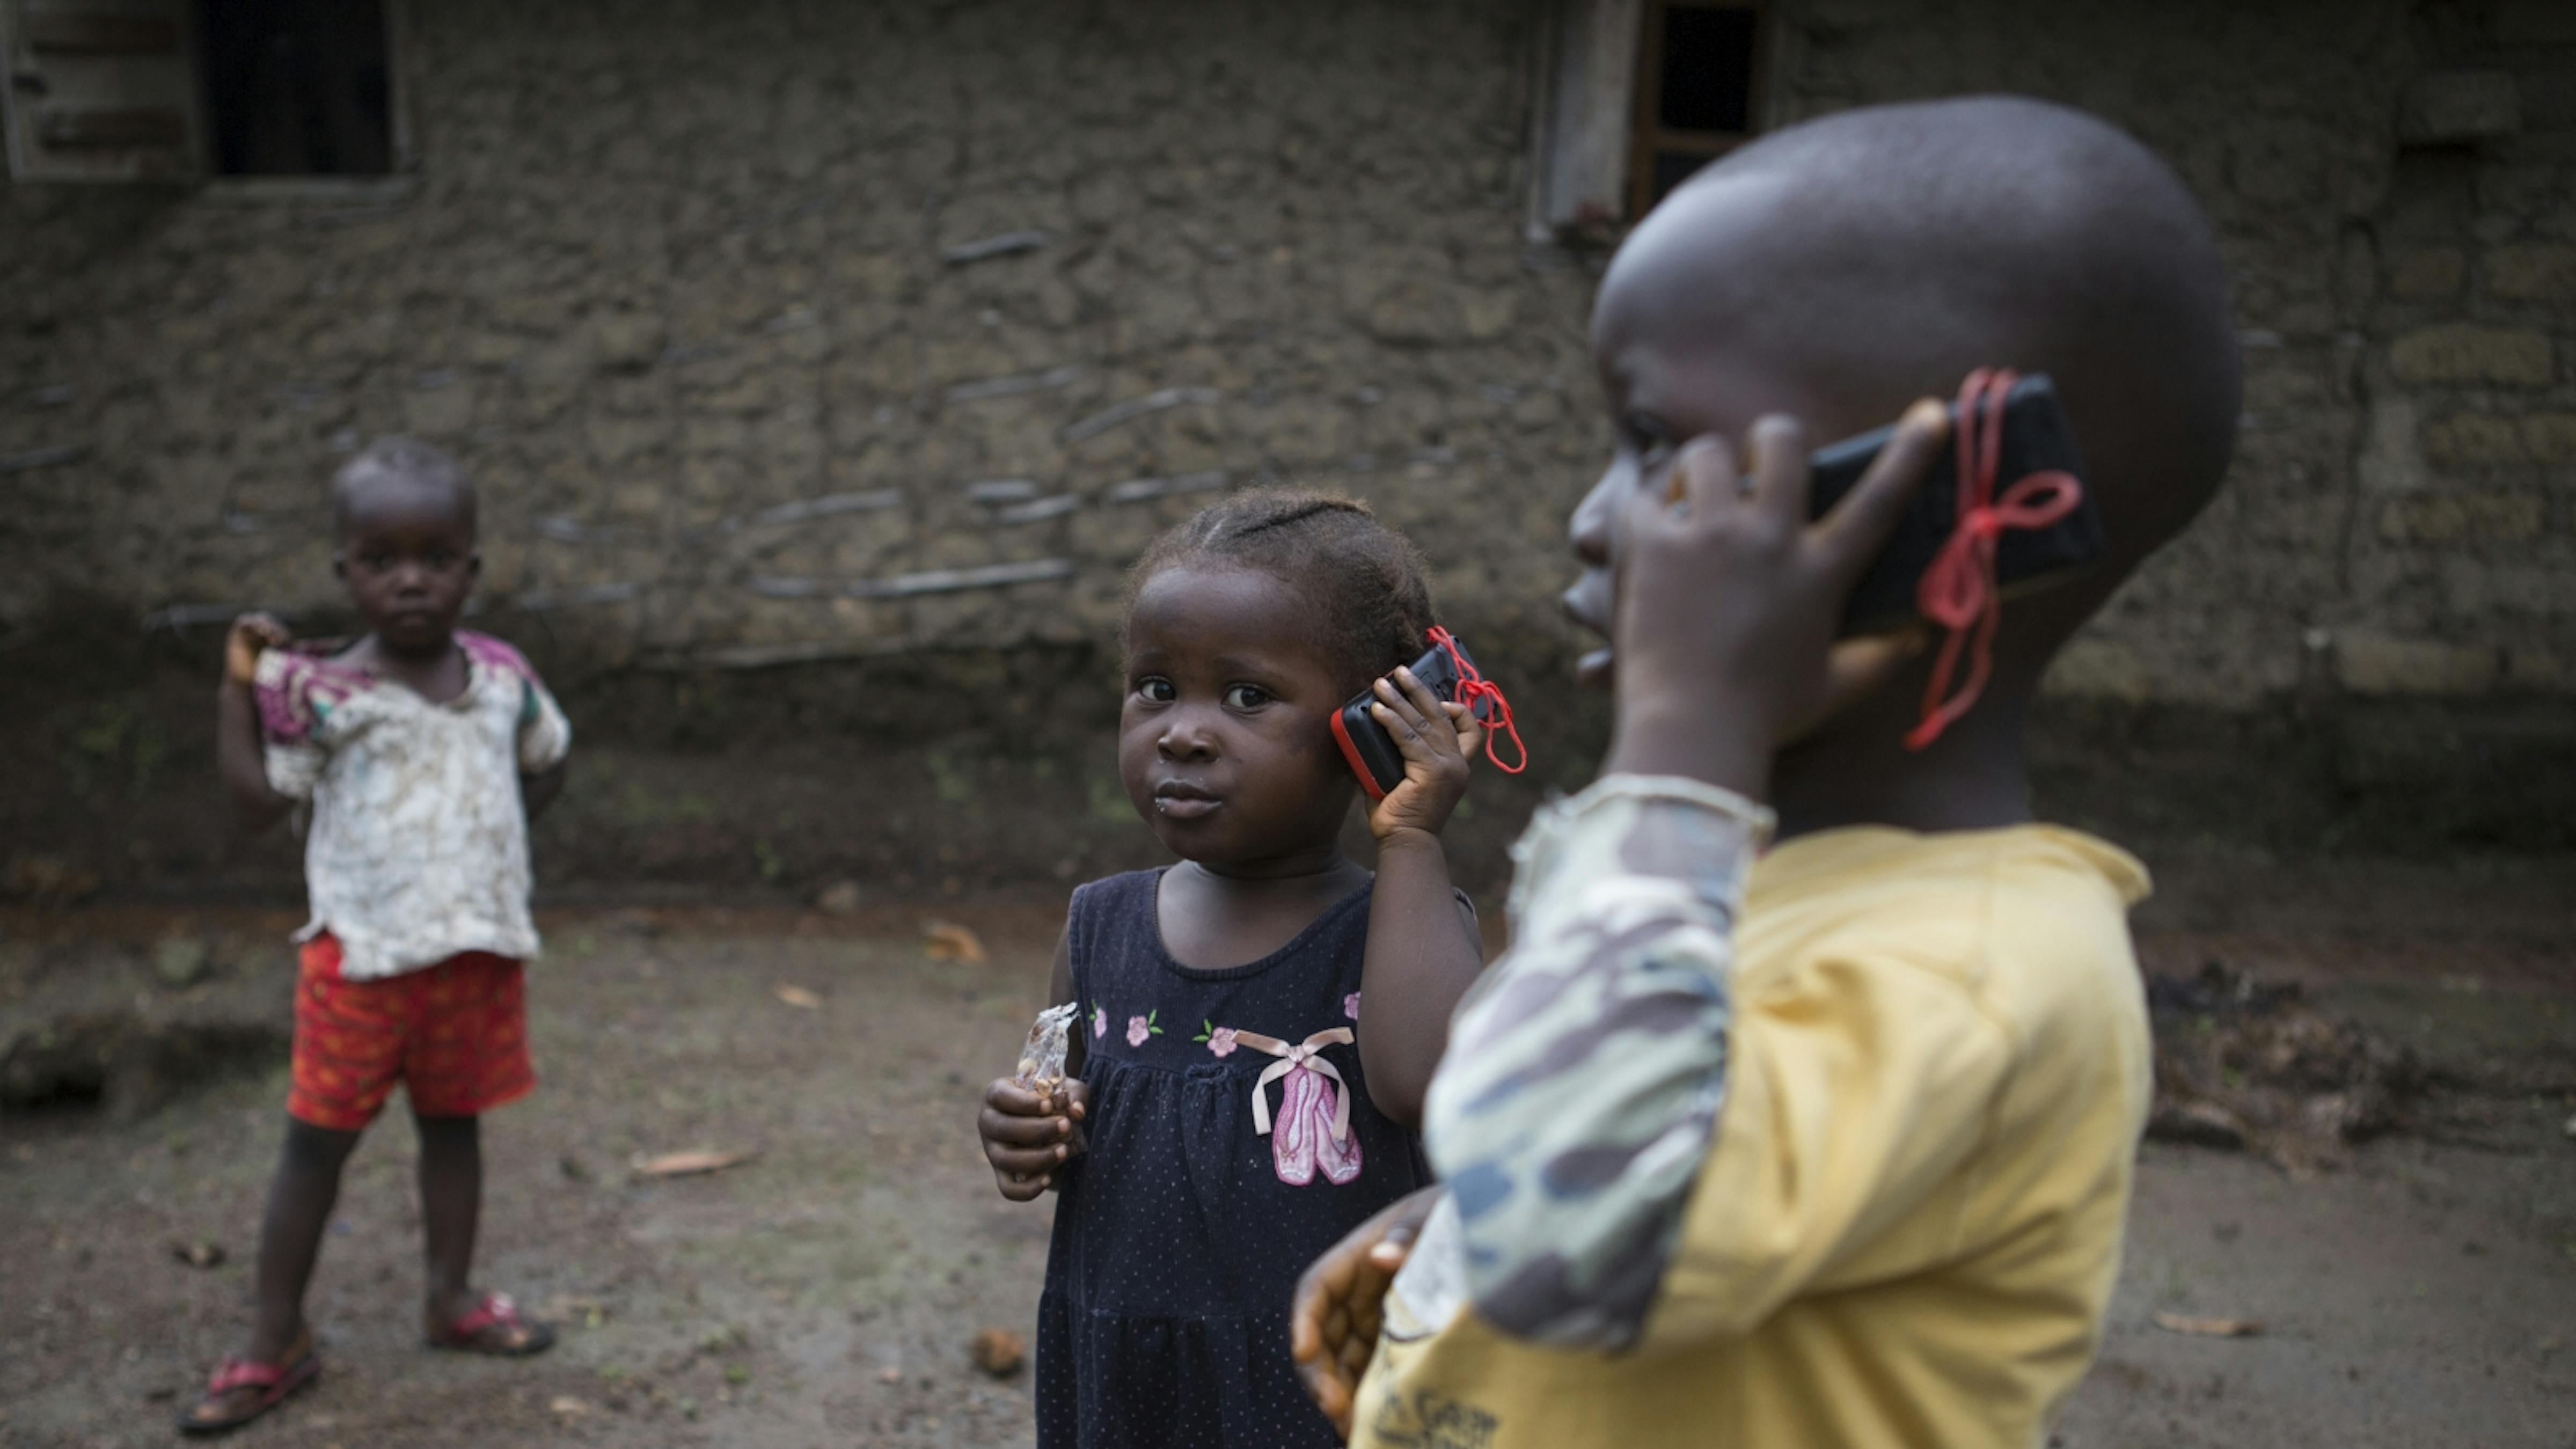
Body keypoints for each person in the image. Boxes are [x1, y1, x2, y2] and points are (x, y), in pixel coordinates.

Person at [1292, 94, 2242, 1446]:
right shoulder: (1720, 875)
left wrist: (1678, 744)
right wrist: (1450, 1241)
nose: (1592, 517)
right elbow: (1658, 1149)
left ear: (1928, 529)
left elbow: (1574, 1227)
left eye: (1661, 449)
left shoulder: (1967, 967)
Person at [976, 489, 1495, 1447]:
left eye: (1248, 697)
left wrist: (1413, 836)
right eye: (1156, 687)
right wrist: (1020, 1132)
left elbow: (1428, 1086)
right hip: (1128, 1372)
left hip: (1315, 1380)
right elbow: (1062, 1113)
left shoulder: (1403, 927)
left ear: (1373, 723)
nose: (1183, 731)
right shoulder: (1103, 927)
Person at [182, 437, 573, 1433]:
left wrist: (489, 843)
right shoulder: (318, 694)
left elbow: (547, 759)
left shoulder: (500, 678)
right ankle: (275, 1339)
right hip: (357, 964)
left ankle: (451, 1298)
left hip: (476, 957)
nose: (411, 581)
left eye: (437, 558)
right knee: (314, 1149)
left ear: (472, 570)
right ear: (345, 572)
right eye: (382, 559)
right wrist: (237, 690)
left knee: (455, 1130)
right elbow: (259, 806)